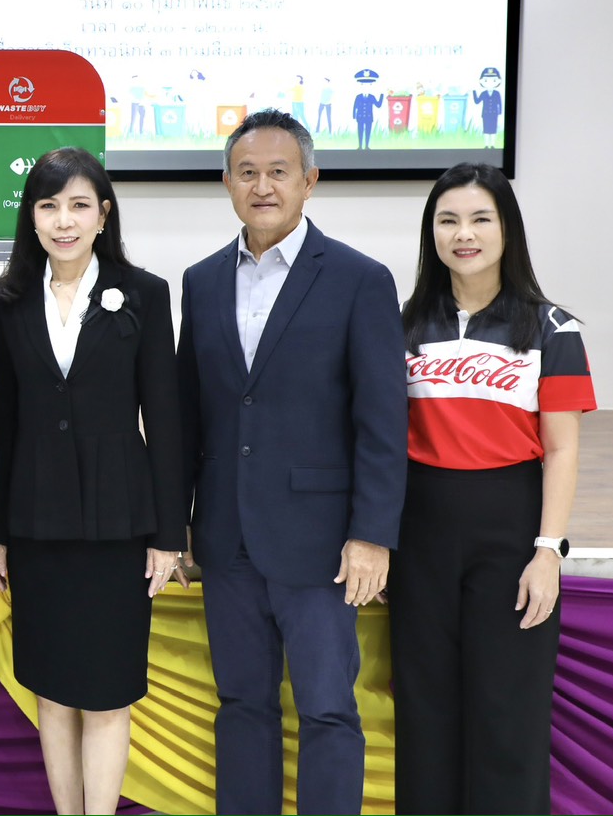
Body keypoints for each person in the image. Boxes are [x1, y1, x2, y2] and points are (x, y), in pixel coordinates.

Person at [177, 109, 407, 815]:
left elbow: (382, 421)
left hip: (321, 543)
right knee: (241, 704)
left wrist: (372, 535)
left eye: (278, 172)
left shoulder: (358, 279)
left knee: (327, 710)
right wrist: (177, 522)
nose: (262, 186)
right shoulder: (201, 281)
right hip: (226, 539)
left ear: (310, 180)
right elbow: (189, 414)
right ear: (226, 183)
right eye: (246, 172)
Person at [0, 147, 188, 815]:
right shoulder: (7, 300)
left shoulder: (144, 292)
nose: (63, 220)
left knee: (106, 695)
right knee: (51, 692)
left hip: (117, 523)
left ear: (103, 214)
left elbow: (165, 419)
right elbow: (0, 421)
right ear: (31, 218)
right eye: (48, 206)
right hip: (36, 524)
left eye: (77, 205)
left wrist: (169, 534)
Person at [393, 162, 594, 814]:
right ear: (430, 233)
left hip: (510, 534)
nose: (464, 234)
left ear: (507, 229)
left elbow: (561, 448)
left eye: (481, 218)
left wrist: (547, 551)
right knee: (424, 713)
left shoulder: (552, 327)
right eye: (447, 220)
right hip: (418, 533)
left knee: (507, 715)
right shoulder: (399, 325)